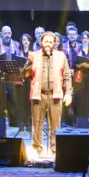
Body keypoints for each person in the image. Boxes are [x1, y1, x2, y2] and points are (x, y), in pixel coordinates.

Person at [24, 31, 73, 159]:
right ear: (41, 43)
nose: (48, 44)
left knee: (55, 125)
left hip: (55, 95)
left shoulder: (61, 56)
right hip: (38, 95)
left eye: (51, 42)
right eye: (46, 41)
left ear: (54, 44)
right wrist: (29, 62)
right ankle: (37, 149)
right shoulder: (35, 55)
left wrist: (68, 93)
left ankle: (55, 150)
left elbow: (67, 76)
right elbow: (24, 74)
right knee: (37, 124)